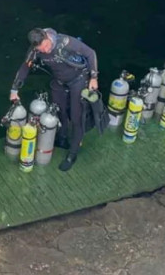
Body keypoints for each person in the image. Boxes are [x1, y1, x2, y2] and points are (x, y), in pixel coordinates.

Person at [10, 28, 99, 171]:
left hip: (78, 79)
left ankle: (72, 153)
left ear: (47, 37)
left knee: (77, 116)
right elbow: (25, 67)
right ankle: (61, 138)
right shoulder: (35, 51)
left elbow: (90, 53)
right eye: (41, 49)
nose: (45, 50)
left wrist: (94, 77)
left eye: (46, 46)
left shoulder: (65, 42)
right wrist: (14, 90)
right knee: (58, 111)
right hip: (59, 81)